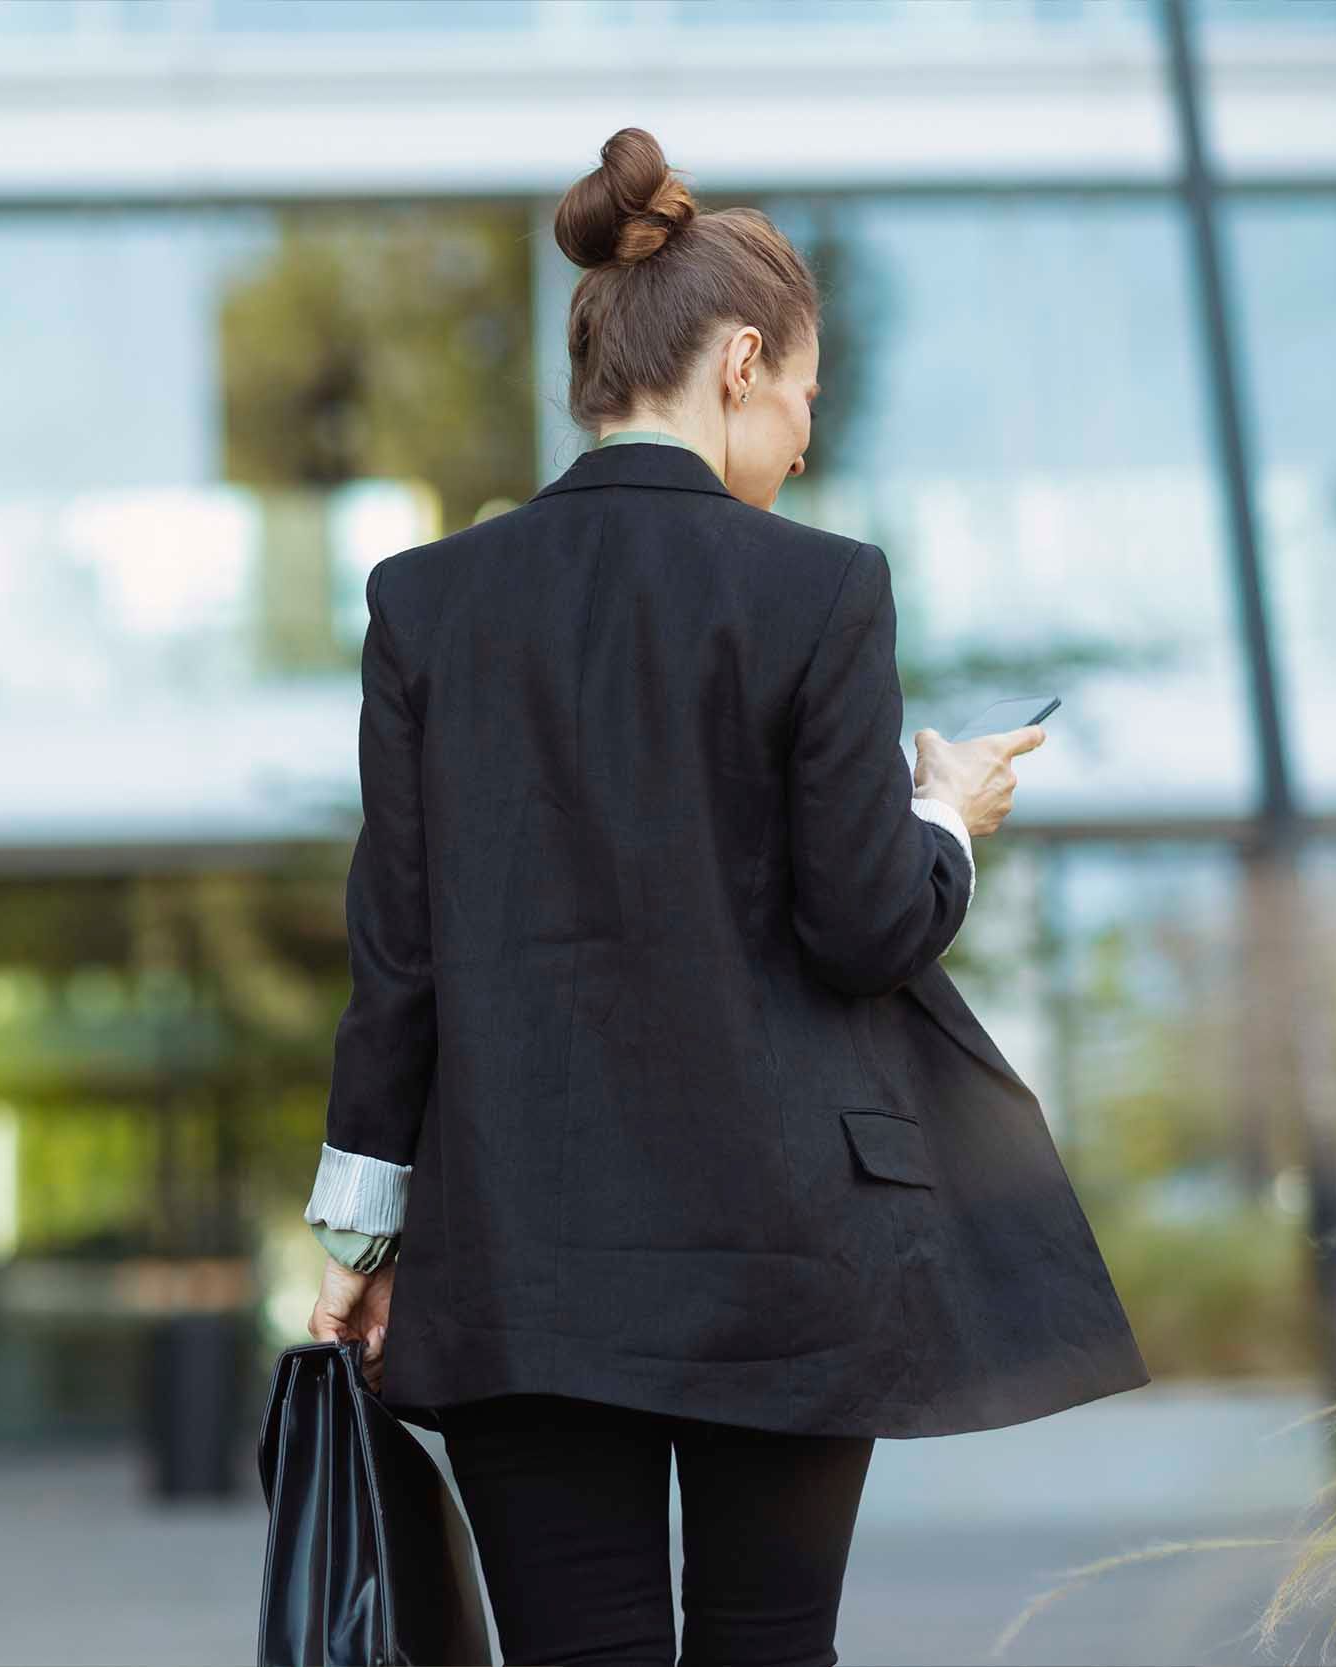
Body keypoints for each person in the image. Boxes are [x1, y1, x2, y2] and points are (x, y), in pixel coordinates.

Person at [301, 127, 1149, 1667]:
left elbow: (398, 960)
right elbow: (865, 923)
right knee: (768, 1646)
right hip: (789, 1252)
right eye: (811, 397)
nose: (808, 440)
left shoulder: (425, 603)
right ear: (744, 359)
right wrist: (944, 814)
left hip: (519, 1259)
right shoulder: (820, 591)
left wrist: (363, 1243)